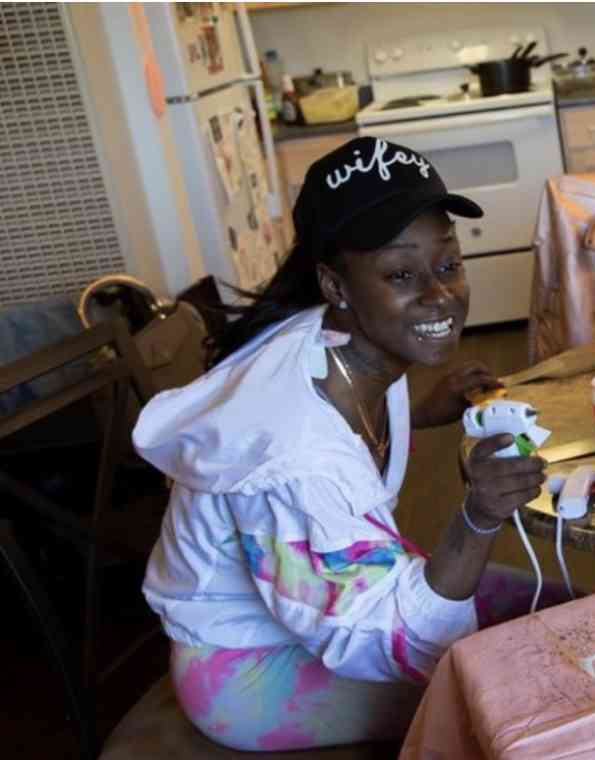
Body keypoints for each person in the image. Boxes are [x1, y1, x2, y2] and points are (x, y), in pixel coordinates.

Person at [134, 137, 565, 751]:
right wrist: (476, 517)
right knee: (527, 683)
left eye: (448, 265)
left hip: (319, 603)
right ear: (336, 285)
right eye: (400, 274)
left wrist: (423, 410)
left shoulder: (329, 342)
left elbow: (344, 434)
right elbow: (387, 642)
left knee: (564, 611)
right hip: (250, 670)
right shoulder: (292, 455)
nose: (439, 295)